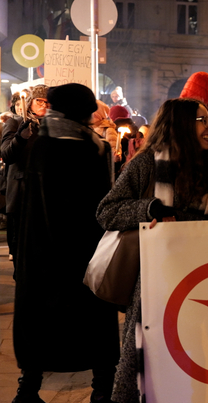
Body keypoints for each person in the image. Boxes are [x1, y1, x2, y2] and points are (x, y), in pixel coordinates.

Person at [97, 98, 208, 403]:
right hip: (152, 288)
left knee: (195, 367)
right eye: (203, 121)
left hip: (203, 282)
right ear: (181, 125)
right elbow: (106, 212)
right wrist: (149, 209)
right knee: (145, 366)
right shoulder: (145, 164)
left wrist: (187, 225)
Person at [12, 83, 119, 403]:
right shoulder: (94, 148)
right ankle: (103, 389)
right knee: (95, 324)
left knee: (38, 323)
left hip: (40, 253)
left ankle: (27, 390)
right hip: (85, 253)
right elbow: (103, 204)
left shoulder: (38, 145)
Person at [2, 84, 48, 267]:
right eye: (40, 101)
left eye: (48, 102)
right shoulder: (14, 122)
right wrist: (20, 138)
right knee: (22, 253)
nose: (44, 105)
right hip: (22, 195)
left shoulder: (53, 127)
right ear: (30, 103)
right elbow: (6, 154)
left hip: (44, 196)